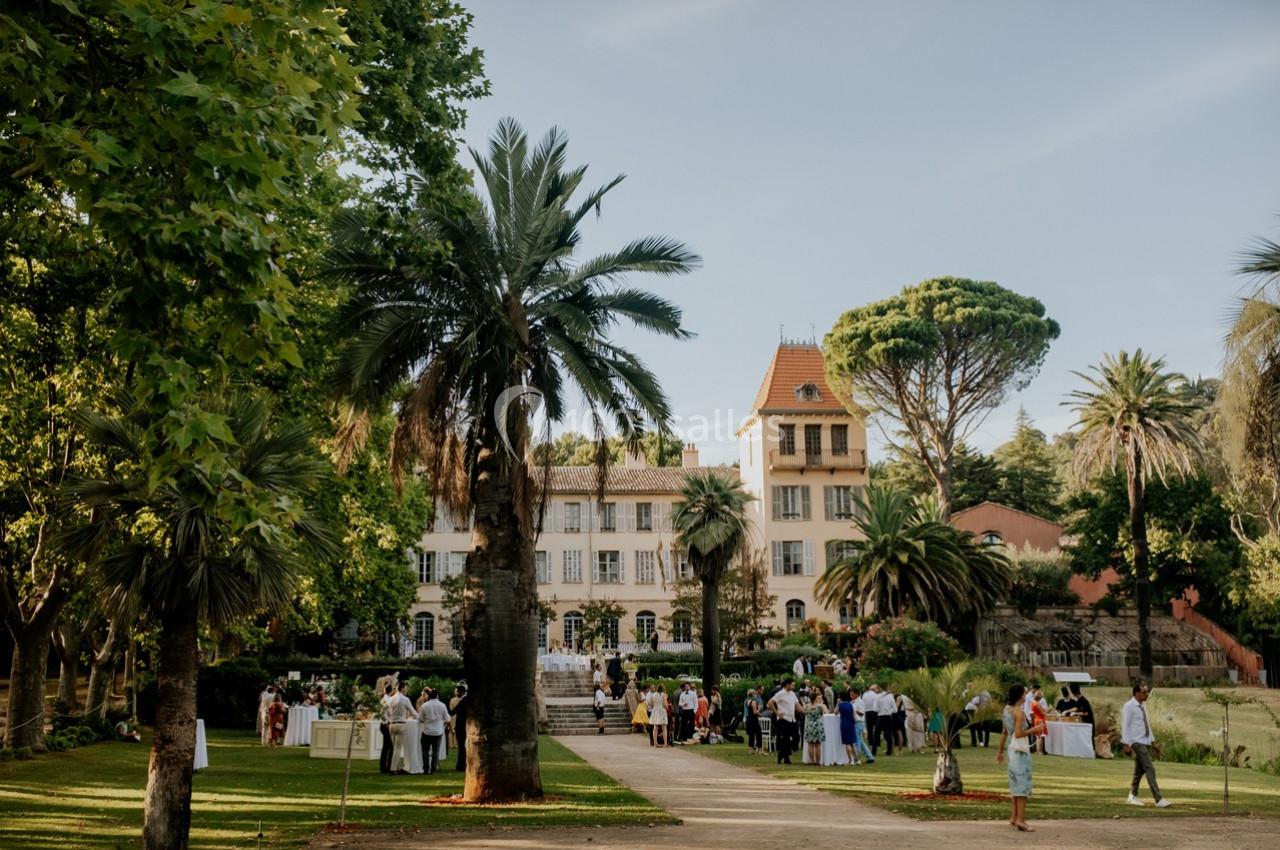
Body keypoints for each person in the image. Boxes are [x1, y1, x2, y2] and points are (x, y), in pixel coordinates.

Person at [996, 684, 1044, 832]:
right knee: (1022, 784)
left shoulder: (1006, 710)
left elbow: (1005, 732)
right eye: (1024, 693)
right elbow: (1018, 733)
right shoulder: (1019, 712)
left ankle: (1014, 817)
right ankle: (1021, 820)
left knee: (1015, 783)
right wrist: (1034, 729)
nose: (1026, 696)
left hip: (1011, 749)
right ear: (1020, 696)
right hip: (1020, 751)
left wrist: (1000, 752)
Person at [1123, 683, 1171, 807]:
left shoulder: (1143, 705)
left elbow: (1146, 724)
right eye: (1144, 692)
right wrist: (1126, 743)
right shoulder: (1129, 706)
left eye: (1147, 692)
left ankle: (1132, 796)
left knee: (1139, 771)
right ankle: (1158, 799)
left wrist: (1153, 742)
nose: (1147, 694)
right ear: (1136, 693)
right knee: (1150, 768)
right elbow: (1125, 725)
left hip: (1144, 741)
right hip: (1136, 742)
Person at [418, 688, 450, 775]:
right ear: (437, 696)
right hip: (438, 731)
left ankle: (426, 768)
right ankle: (433, 768)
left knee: (425, 751)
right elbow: (447, 718)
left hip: (427, 731)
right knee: (436, 751)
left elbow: (420, 718)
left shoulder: (424, 705)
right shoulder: (442, 705)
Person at [768, 678, 799, 764]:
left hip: (792, 719)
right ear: (787, 684)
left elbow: (797, 705)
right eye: (792, 684)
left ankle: (782, 753)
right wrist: (777, 713)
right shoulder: (780, 693)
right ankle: (786, 759)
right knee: (786, 740)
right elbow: (769, 703)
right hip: (783, 719)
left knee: (796, 737)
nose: (794, 686)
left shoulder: (792, 694)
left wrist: (805, 711)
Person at [388, 681, 415, 775]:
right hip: (401, 724)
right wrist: (419, 717)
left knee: (395, 748)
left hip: (391, 724)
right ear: (402, 688)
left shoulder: (391, 698)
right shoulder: (405, 699)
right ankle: (393, 769)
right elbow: (413, 712)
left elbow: (387, 711)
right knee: (398, 748)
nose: (406, 690)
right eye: (406, 688)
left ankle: (398, 767)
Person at [850, 687, 874, 763]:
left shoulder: (860, 702)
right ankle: (870, 757)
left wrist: (854, 711)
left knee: (857, 741)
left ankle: (857, 758)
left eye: (852, 694)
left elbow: (862, 713)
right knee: (861, 741)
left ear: (857, 694)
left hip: (859, 722)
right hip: (855, 722)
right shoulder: (852, 702)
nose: (851, 695)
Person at [836, 689, 860, 766]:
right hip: (851, 724)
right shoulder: (850, 704)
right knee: (852, 742)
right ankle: (857, 760)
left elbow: (835, 712)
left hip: (844, 724)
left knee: (847, 743)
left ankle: (850, 760)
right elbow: (853, 714)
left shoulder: (840, 705)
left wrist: (837, 703)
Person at [804, 692, 828, 765]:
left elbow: (805, 713)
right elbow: (827, 712)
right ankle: (818, 762)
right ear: (815, 699)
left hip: (809, 725)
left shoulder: (807, 706)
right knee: (818, 744)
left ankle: (812, 761)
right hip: (818, 725)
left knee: (810, 744)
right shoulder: (820, 706)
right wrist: (822, 705)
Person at [451, 684, 470, 772]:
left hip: (461, 727)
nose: (456, 693)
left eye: (457, 691)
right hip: (464, 726)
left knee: (461, 747)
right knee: (463, 746)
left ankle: (461, 765)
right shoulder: (465, 701)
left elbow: (453, 712)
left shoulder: (463, 701)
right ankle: (462, 764)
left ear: (461, 692)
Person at [378, 684, 396, 773]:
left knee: (387, 746)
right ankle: (387, 766)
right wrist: (387, 722)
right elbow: (382, 713)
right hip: (386, 725)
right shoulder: (386, 700)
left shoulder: (386, 699)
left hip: (386, 724)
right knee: (389, 746)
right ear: (391, 690)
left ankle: (385, 766)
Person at [874, 684, 896, 756]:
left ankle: (874, 751)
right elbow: (895, 710)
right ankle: (889, 751)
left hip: (880, 717)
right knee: (888, 734)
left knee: (876, 734)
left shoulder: (877, 697)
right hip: (888, 717)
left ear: (880, 688)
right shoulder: (890, 696)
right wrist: (889, 711)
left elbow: (875, 709)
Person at [744, 686, 764, 754]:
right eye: (754, 693)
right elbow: (755, 712)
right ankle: (760, 749)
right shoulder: (753, 701)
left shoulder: (747, 701)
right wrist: (759, 709)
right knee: (759, 733)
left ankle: (750, 749)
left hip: (749, 719)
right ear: (753, 694)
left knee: (751, 734)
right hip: (754, 719)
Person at [648, 684, 669, 748]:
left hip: (655, 711)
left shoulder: (654, 695)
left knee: (655, 728)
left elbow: (651, 704)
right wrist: (667, 706)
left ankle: (655, 744)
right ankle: (665, 744)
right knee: (664, 728)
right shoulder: (664, 695)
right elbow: (665, 704)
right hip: (662, 711)